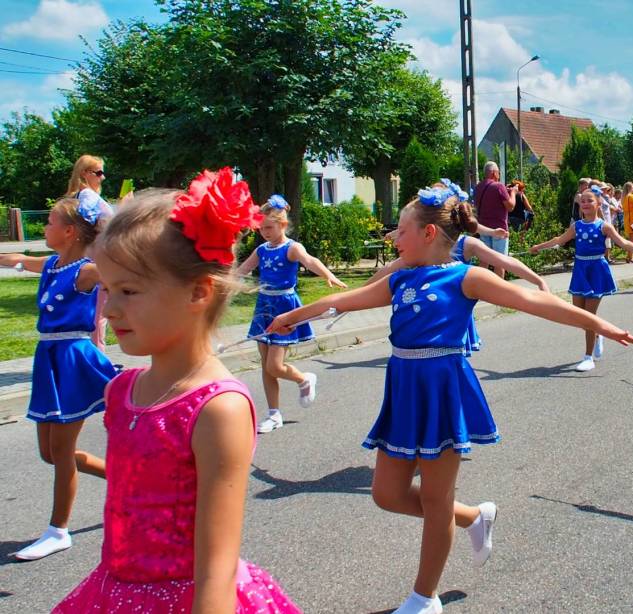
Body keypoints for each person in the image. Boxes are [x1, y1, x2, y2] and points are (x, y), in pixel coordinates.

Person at [267, 184, 633, 614]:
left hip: (444, 390)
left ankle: (424, 598)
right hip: (405, 390)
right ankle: (473, 517)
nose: (394, 238)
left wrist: (605, 326)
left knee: (434, 500)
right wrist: (293, 316)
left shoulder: (465, 277)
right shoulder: (400, 279)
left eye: (401, 230)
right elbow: (344, 300)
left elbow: (536, 302)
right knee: (386, 494)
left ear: (428, 234)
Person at [53, 170, 300, 612]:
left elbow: (216, 569)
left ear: (198, 293)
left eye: (128, 290)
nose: (109, 308)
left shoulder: (217, 409)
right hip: (114, 590)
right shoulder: (123, 390)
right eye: (108, 290)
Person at [0, 197, 114, 562]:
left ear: (68, 232)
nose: (44, 228)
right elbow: (16, 260)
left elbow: (126, 274)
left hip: (73, 359)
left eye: (48, 223)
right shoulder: (51, 265)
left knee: (62, 451)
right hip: (48, 359)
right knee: (49, 453)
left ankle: (58, 531)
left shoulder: (87, 271)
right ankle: (123, 477)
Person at [367, 180, 551, 356]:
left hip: (451, 320)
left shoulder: (465, 244)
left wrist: (538, 280)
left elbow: (504, 260)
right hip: (425, 325)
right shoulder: (419, 252)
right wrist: (355, 296)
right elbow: (389, 269)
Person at [235, 195, 346, 434]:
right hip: (263, 306)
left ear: (283, 225)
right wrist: (223, 280)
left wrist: (328, 275)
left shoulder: (291, 248)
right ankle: (274, 414)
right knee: (266, 366)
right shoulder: (262, 250)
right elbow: (244, 269)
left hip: (285, 306)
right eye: (261, 228)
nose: (264, 232)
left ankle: (304, 379)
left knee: (275, 365)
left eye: (269, 227)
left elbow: (310, 260)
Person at [531, 187, 633, 371]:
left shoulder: (603, 226)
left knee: (589, 316)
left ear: (598, 204)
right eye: (582, 201)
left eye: (589, 200)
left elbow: (623, 243)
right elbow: (559, 240)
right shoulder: (577, 226)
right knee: (578, 314)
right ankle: (598, 334)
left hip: (596, 271)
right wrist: (538, 246)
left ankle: (588, 357)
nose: (585, 203)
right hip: (580, 270)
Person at [66, 155, 115, 351]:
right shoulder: (88, 196)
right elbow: (84, 223)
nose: (102, 177)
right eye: (99, 172)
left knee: (95, 311)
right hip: (98, 259)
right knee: (99, 314)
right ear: (85, 173)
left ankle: (90, 356)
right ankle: (98, 359)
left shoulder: (79, 196)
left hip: (90, 257)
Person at [474, 161, 518, 277]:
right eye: (498, 172)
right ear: (494, 173)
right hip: (499, 229)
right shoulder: (499, 186)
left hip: (483, 228)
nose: (499, 175)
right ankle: (500, 292)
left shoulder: (478, 187)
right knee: (500, 262)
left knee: (484, 261)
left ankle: (480, 289)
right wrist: (513, 193)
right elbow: (510, 207)